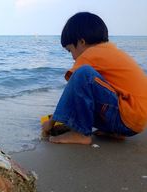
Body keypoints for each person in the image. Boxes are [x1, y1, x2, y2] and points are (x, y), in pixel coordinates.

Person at [42, 12, 147, 144]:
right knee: (89, 86)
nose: (73, 57)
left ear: (81, 42)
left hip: (126, 117)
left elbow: (74, 88)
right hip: (135, 122)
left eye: (70, 51)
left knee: (82, 73)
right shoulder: (110, 51)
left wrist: (51, 122)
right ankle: (113, 132)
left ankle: (81, 134)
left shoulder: (91, 53)